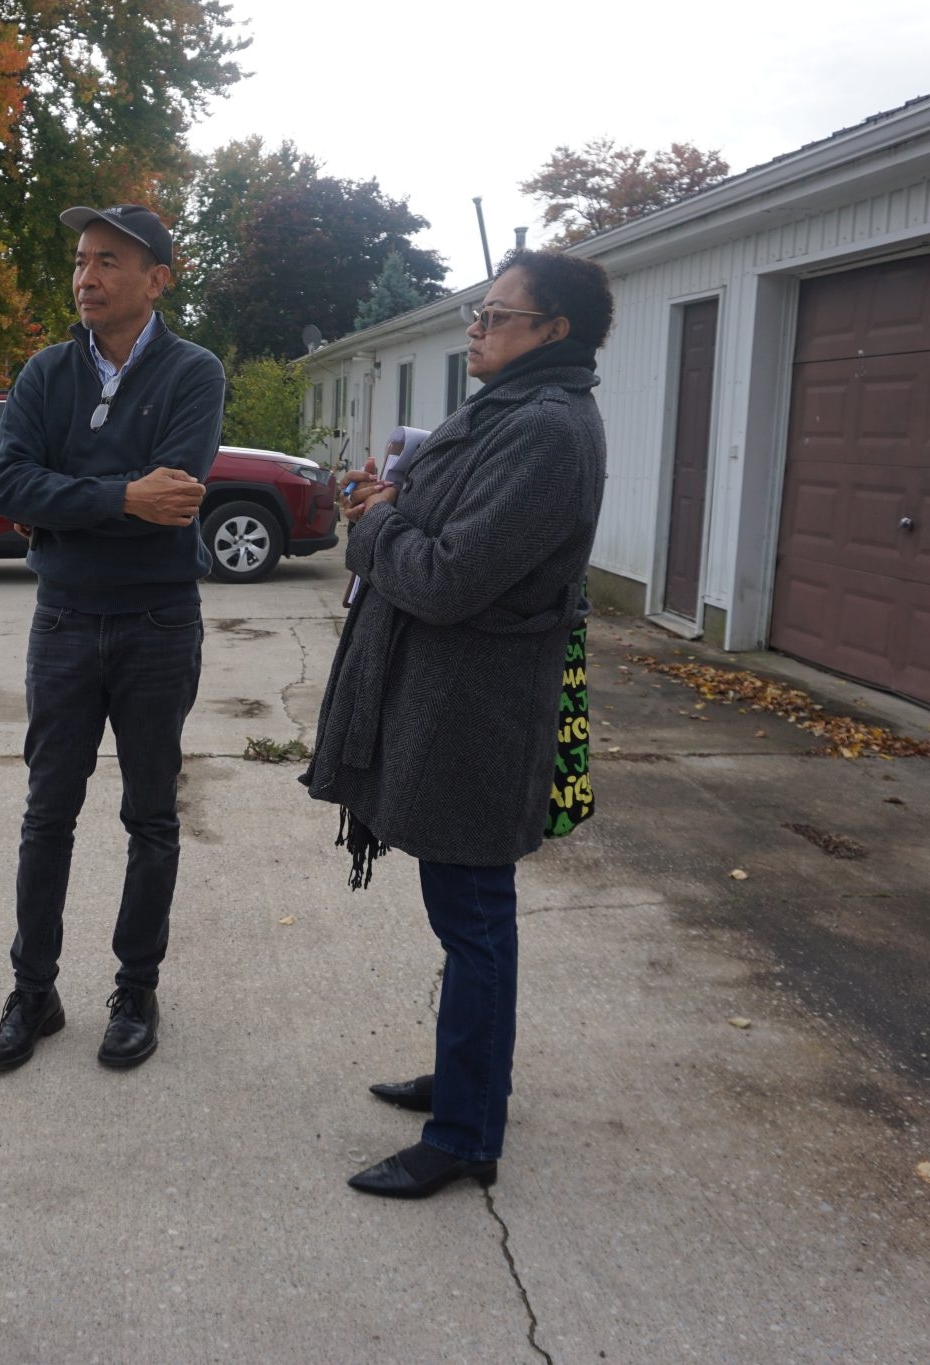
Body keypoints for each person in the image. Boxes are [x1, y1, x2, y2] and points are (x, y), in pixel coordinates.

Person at [302, 248, 612, 1199]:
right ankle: (470, 1076)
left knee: (474, 920)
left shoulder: (546, 429)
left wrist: (376, 525)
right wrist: (392, 502)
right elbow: (444, 530)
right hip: (453, 701)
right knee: (466, 918)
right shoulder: (511, 410)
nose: (475, 327)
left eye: (497, 315)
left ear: (554, 330)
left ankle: (467, 1133)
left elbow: (447, 578)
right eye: (479, 311)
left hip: (478, 713)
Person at [0, 204, 226, 1073]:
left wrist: (69, 498)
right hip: (65, 620)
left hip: (159, 621)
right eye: (81, 260)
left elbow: (177, 495)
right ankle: (32, 991)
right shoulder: (45, 373)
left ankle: (136, 988)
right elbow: (11, 486)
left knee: (150, 814)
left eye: (108, 261)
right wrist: (122, 496)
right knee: (48, 813)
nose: (86, 276)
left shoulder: (193, 372)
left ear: (158, 278)